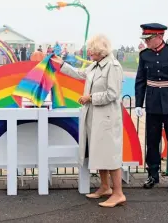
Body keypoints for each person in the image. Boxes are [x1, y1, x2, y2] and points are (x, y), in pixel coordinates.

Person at [51, 34, 126, 208]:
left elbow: (113, 94)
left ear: (101, 50)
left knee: (110, 155)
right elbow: (79, 73)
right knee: (99, 151)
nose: (89, 51)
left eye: (92, 49)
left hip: (106, 117)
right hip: (95, 117)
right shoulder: (96, 65)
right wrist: (60, 64)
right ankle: (105, 187)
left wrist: (90, 97)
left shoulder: (113, 67)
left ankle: (118, 193)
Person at [135, 23, 168, 194]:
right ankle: (153, 174)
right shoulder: (144, 55)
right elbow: (141, 81)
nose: (146, 42)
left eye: (149, 38)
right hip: (152, 103)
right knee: (152, 141)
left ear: (159, 36)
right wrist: (138, 103)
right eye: (145, 38)